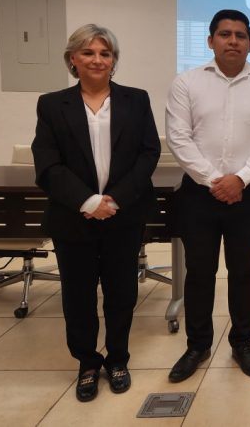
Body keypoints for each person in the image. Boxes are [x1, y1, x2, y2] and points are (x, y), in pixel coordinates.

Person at [32, 24, 160, 402]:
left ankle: (118, 358)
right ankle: (88, 362)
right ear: (73, 59)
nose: (97, 60)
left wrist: (114, 200)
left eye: (105, 53)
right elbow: (48, 164)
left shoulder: (136, 100)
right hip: (74, 217)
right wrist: (88, 202)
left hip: (124, 214)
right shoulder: (53, 104)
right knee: (78, 295)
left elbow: (148, 154)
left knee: (122, 291)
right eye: (88, 53)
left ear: (114, 61)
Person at [165, 9, 250, 382]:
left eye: (240, 35)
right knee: (200, 271)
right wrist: (217, 180)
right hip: (199, 195)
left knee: (243, 270)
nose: (232, 41)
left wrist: (242, 178)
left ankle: (242, 342)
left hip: (246, 194)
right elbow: (178, 138)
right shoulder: (186, 83)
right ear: (210, 40)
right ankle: (198, 344)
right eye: (224, 34)